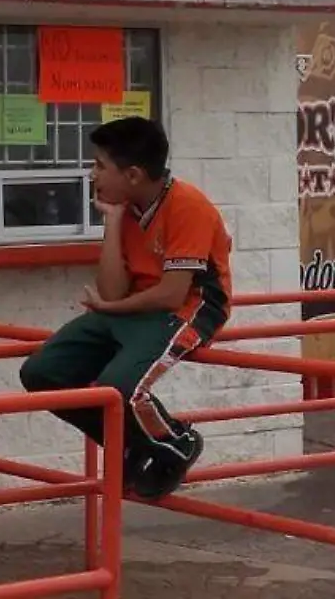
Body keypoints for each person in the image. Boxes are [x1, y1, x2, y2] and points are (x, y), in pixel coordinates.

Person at [18, 115, 234, 502]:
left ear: (133, 174)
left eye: (100, 165)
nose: (92, 174)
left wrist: (108, 307)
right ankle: (130, 445)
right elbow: (113, 292)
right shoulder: (127, 207)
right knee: (41, 373)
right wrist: (113, 222)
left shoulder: (188, 206)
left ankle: (176, 444)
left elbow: (171, 294)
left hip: (190, 307)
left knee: (119, 387)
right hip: (136, 308)